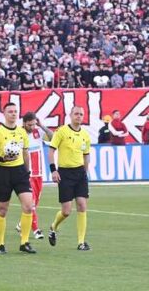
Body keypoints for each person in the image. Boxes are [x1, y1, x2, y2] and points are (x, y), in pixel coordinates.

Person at [0, 102, 37, 254]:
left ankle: (24, 242)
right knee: (2, 209)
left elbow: (25, 153)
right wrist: (0, 158)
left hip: (20, 172)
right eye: (10, 111)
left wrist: (27, 172)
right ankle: (0, 244)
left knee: (28, 206)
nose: (13, 114)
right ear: (4, 114)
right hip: (3, 172)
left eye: (15, 111)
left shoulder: (22, 132)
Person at [47, 106, 93, 251]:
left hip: (80, 173)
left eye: (81, 114)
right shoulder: (61, 131)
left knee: (82, 205)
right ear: (70, 115)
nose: (79, 116)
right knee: (66, 211)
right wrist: (53, 170)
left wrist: (85, 173)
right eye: (76, 114)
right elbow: (51, 151)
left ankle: (81, 242)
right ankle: (53, 226)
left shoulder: (85, 135)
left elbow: (86, 155)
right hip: (65, 173)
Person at [22, 112, 53, 239]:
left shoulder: (38, 132)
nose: (32, 127)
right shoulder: (19, 134)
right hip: (27, 174)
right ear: (24, 123)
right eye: (29, 125)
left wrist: (42, 126)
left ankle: (21, 224)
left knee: (35, 203)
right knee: (32, 203)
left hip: (39, 174)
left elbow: (53, 138)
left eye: (34, 124)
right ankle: (36, 230)